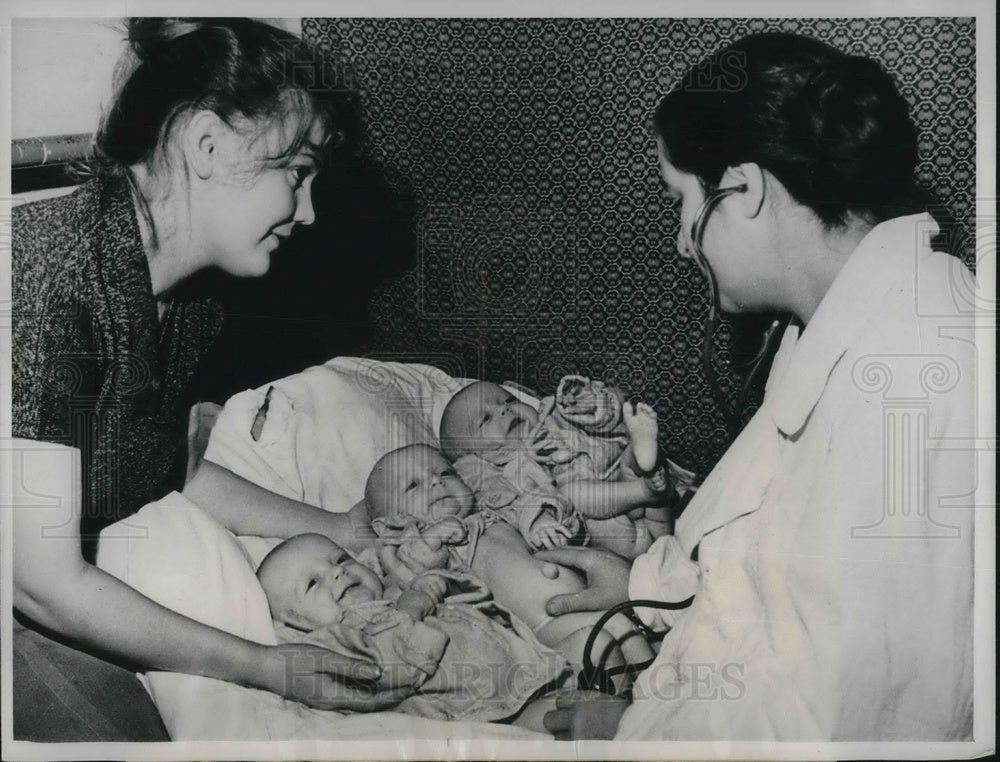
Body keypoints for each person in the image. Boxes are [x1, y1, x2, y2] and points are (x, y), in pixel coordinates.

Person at [538, 32, 976, 741]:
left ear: (745, 188)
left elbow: (860, 723)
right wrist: (645, 590)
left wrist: (636, 731)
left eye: (681, 202)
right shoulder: (834, 324)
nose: (683, 240)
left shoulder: (916, 377)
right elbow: (757, 538)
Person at [10, 18, 402, 741]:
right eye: (298, 172)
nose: (308, 212)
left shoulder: (190, 305)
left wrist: (345, 527)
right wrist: (267, 664)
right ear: (207, 144)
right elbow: (39, 580)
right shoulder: (56, 278)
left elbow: (171, 475)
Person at [363, 444, 655, 693]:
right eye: (413, 485)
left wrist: (541, 522)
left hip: (588, 596)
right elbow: (422, 575)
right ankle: (653, 691)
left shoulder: (493, 509)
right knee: (611, 634)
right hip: (540, 627)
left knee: (619, 630)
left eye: (445, 473)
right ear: (390, 525)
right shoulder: (434, 551)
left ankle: (651, 688)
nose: (436, 482)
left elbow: (534, 505)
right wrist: (434, 535)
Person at [256, 533, 568, 723]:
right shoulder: (338, 643)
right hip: (488, 711)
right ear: (295, 622)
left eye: (340, 559)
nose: (337, 573)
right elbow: (393, 669)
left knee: (593, 644)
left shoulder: (396, 591)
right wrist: (416, 601)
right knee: (567, 718)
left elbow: (478, 599)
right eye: (313, 582)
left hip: (533, 666)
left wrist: (435, 581)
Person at [439, 378, 676, 557]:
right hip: (627, 537)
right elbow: (518, 506)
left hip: (641, 496)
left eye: (509, 400)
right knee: (572, 494)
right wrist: (526, 461)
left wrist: (587, 403)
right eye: (485, 419)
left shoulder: (554, 417)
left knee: (632, 453)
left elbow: (605, 420)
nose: (504, 409)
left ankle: (644, 461)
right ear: (472, 456)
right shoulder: (498, 475)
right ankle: (644, 488)